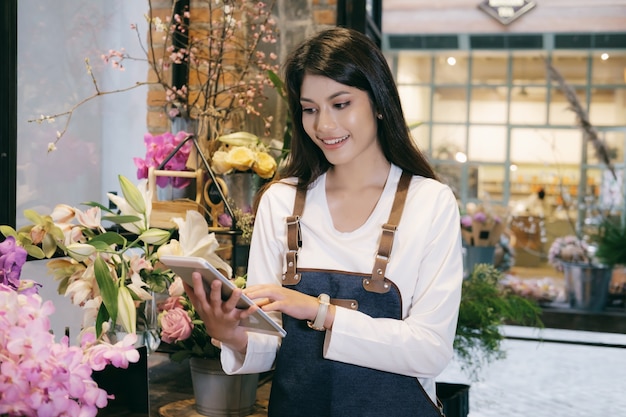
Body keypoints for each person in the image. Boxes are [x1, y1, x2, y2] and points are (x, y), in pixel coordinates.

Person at [184, 27, 463, 417]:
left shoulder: (430, 203)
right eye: (310, 108)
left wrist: (320, 311)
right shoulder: (280, 202)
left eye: (341, 103)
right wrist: (229, 333)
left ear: (379, 103)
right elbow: (273, 341)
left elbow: (430, 350)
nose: (324, 126)